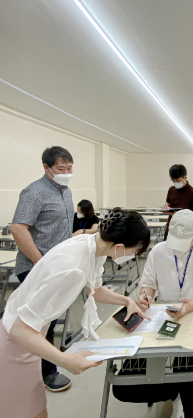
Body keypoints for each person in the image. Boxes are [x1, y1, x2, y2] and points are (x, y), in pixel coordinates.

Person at [0, 208, 151, 418]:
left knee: (35, 408)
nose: (134, 256)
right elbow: (20, 329)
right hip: (16, 341)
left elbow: (95, 289)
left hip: (29, 334)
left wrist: (127, 300)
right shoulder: (72, 269)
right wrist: (65, 360)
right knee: (30, 411)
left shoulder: (93, 246)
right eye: (134, 252)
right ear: (119, 247)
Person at [134, 209, 193, 418]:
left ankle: (183, 395)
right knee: (134, 375)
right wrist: (145, 297)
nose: (177, 247)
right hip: (165, 314)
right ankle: (173, 391)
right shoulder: (158, 251)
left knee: (185, 365)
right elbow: (148, 285)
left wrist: (191, 305)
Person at [10, 146, 76, 392]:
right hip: (35, 266)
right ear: (47, 168)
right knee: (39, 322)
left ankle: (39, 366)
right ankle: (47, 372)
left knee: (49, 319)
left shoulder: (65, 192)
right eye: (61, 169)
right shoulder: (34, 192)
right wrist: (40, 262)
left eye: (69, 168)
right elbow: (18, 228)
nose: (66, 173)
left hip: (56, 266)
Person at [162, 164, 193, 239]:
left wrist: (180, 215)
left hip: (186, 229)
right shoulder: (171, 190)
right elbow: (168, 205)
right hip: (171, 227)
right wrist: (165, 208)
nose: (176, 183)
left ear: (185, 177)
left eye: (178, 181)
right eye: (174, 181)